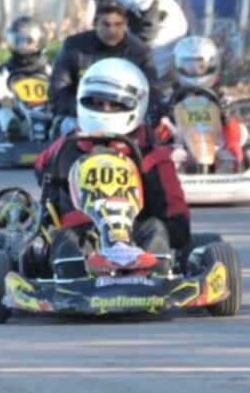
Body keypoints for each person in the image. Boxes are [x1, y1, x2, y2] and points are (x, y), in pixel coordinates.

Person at [35, 58, 190, 279]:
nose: (104, 110)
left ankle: (155, 277)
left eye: (115, 104)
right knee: (66, 239)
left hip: (135, 240)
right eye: (96, 102)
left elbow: (178, 223)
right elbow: (43, 179)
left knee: (156, 229)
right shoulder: (65, 148)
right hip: (82, 236)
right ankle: (73, 280)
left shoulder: (152, 157)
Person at [65, 0, 187, 79]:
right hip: (147, 30)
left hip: (164, 27)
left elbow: (150, 11)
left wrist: (138, 48)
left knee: (146, 78)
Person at [48, 0, 161, 133]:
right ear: (95, 23)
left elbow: (152, 93)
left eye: (117, 24)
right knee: (67, 126)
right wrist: (86, 110)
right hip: (82, 117)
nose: (112, 30)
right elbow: (58, 91)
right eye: (106, 24)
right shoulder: (73, 47)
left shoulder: (141, 52)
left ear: (126, 24)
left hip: (125, 117)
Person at [160, 35, 247, 171]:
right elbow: (158, 136)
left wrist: (226, 117)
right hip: (181, 150)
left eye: (201, 66)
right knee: (167, 146)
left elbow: (236, 135)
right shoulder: (168, 101)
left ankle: (234, 168)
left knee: (236, 143)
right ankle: (172, 174)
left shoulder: (225, 101)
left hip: (217, 150)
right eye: (189, 67)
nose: (195, 71)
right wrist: (167, 119)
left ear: (212, 65)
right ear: (178, 66)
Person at [0, 16, 51, 141]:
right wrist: (8, 101)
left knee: (63, 115)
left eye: (28, 41)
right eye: (18, 41)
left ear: (39, 41)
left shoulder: (50, 70)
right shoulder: (1, 73)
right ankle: (12, 132)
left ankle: (58, 135)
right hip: (19, 114)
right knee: (4, 112)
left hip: (47, 112)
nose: (23, 46)